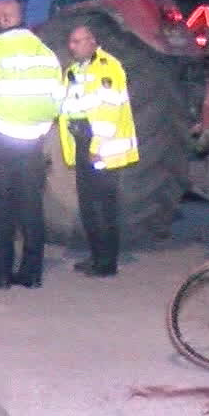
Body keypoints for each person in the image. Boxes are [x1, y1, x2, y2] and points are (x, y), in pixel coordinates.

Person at [0, 0, 64, 288]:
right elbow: (58, 98)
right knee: (31, 207)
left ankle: (0, 274)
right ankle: (31, 274)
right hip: (32, 140)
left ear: (6, 19)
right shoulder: (45, 52)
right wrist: (39, 128)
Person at [58, 23, 137, 277]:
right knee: (89, 206)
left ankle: (106, 263)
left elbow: (107, 111)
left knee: (103, 207)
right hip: (83, 142)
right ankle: (96, 256)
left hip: (100, 146)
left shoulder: (107, 67)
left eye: (78, 41)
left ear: (93, 41)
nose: (72, 46)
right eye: (71, 41)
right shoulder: (74, 70)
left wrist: (96, 146)